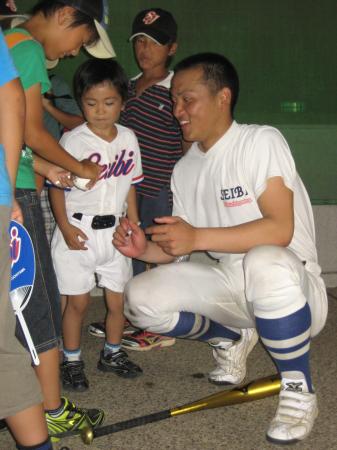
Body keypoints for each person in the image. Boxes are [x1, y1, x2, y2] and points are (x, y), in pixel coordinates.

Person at [113, 53, 328, 444]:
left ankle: (298, 386)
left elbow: (279, 229)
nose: (176, 110)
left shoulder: (260, 140)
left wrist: (197, 237)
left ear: (222, 97)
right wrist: (144, 249)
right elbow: (178, 247)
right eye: (174, 100)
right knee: (140, 297)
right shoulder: (185, 168)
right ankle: (228, 337)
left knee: (265, 260)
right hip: (231, 286)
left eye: (187, 99)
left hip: (295, 289)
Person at [2, 0, 116, 440]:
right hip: (16, 195)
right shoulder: (25, 47)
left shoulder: (8, 41)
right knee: (38, 305)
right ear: (67, 13)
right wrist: (81, 167)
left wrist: (49, 168)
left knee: (30, 301)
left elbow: (11, 132)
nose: (74, 53)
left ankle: (42, 403)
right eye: (82, 40)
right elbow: (30, 129)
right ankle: (48, 409)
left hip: (20, 179)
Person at [89, 8, 183, 351]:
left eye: (155, 42)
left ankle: (160, 326)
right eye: (139, 41)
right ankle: (130, 316)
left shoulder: (177, 89)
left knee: (154, 255)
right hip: (126, 188)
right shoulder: (125, 88)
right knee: (127, 253)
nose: (145, 49)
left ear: (171, 48)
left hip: (159, 188)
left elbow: (188, 143)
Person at [50, 58, 143, 392]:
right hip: (78, 231)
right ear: (80, 101)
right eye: (91, 103)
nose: (100, 111)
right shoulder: (73, 140)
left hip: (115, 234)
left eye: (109, 102)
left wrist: (133, 221)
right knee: (78, 303)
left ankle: (112, 353)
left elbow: (131, 183)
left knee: (117, 302)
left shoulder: (129, 138)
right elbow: (57, 189)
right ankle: (71, 360)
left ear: (122, 101)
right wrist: (63, 227)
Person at [0, 27, 52, 450]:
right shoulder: (25, 46)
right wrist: (6, 187)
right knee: (9, 337)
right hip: (4, 191)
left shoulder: (20, 43)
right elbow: (13, 100)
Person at [41, 72, 84, 243]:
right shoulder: (9, 83)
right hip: (21, 167)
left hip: (53, 169)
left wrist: (48, 105)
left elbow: (80, 123)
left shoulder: (53, 82)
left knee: (48, 235)